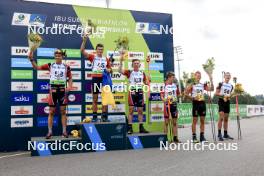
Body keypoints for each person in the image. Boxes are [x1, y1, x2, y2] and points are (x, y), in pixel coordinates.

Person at [28, 49, 73, 139]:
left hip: (62, 91)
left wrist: (69, 87)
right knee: (51, 112)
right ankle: (49, 132)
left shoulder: (66, 67)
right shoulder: (50, 65)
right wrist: (32, 60)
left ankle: (64, 131)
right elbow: (37, 68)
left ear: (62, 56)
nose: (57, 56)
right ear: (54, 56)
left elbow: (70, 77)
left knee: (63, 112)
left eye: (59, 54)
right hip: (53, 91)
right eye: (56, 55)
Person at [80, 36, 112, 122]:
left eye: (101, 49)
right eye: (99, 49)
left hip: (104, 80)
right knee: (95, 99)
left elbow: (110, 69)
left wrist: (108, 70)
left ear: (103, 50)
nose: (100, 51)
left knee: (105, 99)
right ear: (96, 50)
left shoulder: (106, 59)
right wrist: (84, 40)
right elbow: (82, 51)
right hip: (95, 80)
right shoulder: (93, 57)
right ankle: (94, 117)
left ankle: (104, 117)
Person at [118, 52, 149, 134]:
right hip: (132, 93)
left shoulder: (142, 73)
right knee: (131, 110)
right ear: (132, 65)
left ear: (139, 65)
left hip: (140, 93)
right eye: (135, 63)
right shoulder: (129, 72)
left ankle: (141, 128)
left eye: (138, 63)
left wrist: (147, 80)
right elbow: (119, 71)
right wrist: (121, 61)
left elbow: (146, 82)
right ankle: (130, 128)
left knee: (140, 111)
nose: (136, 64)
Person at [185, 71, 214, 143]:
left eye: (199, 76)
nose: (198, 77)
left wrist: (211, 80)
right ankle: (194, 137)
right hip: (195, 103)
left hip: (202, 103)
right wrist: (193, 98)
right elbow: (185, 94)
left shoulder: (202, 85)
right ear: (194, 76)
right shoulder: (192, 84)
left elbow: (212, 89)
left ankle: (202, 137)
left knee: (202, 120)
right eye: (197, 76)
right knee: (194, 120)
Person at [160, 72, 181, 143]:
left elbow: (178, 94)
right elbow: (162, 96)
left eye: (174, 77)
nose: (174, 78)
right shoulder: (164, 85)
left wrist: (181, 95)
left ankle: (175, 138)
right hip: (167, 104)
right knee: (166, 122)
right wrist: (164, 100)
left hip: (174, 104)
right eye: (173, 77)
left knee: (174, 122)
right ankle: (165, 138)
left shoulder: (175, 85)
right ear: (169, 77)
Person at [215, 72, 234, 141]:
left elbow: (230, 94)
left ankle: (225, 134)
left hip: (227, 102)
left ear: (230, 77)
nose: (228, 77)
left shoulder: (231, 86)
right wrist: (223, 96)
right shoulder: (220, 84)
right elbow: (216, 93)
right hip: (221, 101)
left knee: (226, 119)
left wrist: (234, 95)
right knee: (221, 117)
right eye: (227, 76)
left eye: (229, 76)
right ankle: (219, 134)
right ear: (224, 77)